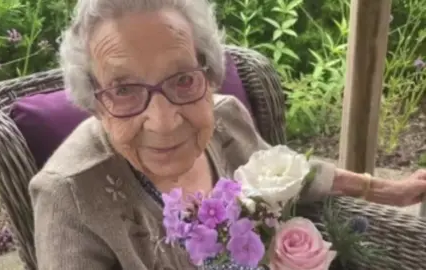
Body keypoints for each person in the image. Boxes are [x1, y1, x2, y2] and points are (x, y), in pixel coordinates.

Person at [29, 0, 426, 269]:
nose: (164, 122)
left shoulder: (225, 121)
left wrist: (386, 190)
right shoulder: (69, 196)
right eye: (123, 90)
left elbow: (288, 175)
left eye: (183, 79)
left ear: (210, 74)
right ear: (94, 102)